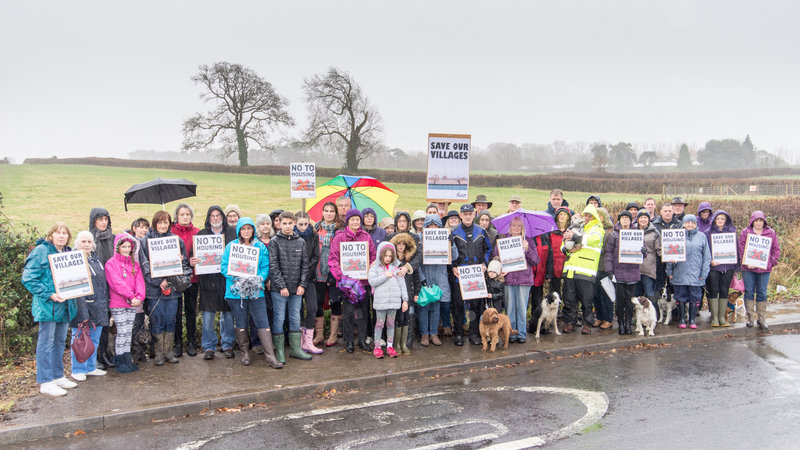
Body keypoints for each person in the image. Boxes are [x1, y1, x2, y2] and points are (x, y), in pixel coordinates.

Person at [22, 223, 78, 397]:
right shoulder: (41, 251)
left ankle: (57, 375)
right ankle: (46, 381)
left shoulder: (67, 253)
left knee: (60, 342)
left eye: (64, 233)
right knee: (46, 343)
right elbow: (28, 278)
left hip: (64, 305)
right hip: (48, 306)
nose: (61, 236)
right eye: (57, 233)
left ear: (68, 237)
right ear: (51, 235)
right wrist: (49, 294)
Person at [221, 217, 282, 368]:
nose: (246, 231)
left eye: (249, 228)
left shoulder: (260, 247)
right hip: (236, 292)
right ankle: (245, 353)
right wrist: (237, 276)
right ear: (239, 230)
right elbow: (223, 266)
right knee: (241, 321)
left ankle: (270, 356)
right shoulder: (231, 246)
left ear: (253, 230)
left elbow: (265, 266)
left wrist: (259, 278)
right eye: (243, 229)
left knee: (262, 321)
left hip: (256, 291)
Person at [139, 211, 191, 366]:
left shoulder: (176, 240)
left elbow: (185, 265)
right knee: (157, 320)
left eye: (166, 222)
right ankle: (158, 353)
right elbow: (145, 266)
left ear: (170, 224)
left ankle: (168, 351)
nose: (162, 226)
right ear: (155, 223)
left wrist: (180, 260)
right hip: (155, 290)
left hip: (173, 289)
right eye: (160, 222)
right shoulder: (145, 241)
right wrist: (158, 281)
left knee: (170, 320)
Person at [329, 209, 377, 353]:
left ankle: (362, 339)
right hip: (347, 283)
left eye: (357, 219)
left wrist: (370, 267)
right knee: (348, 312)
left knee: (363, 312)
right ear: (348, 222)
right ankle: (349, 341)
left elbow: (373, 256)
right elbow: (333, 259)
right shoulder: (339, 238)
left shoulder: (366, 236)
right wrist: (341, 276)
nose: (355, 222)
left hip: (363, 281)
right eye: (352, 220)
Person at [192, 206, 236, 360]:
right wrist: (193, 260)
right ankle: (209, 347)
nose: (216, 218)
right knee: (208, 316)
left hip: (226, 280)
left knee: (228, 315)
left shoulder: (232, 233)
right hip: (208, 281)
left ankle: (228, 344)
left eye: (218, 215)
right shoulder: (201, 235)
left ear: (222, 217)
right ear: (208, 218)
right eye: (212, 216)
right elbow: (192, 256)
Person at [269, 211, 313, 362]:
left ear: (294, 223)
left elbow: (305, 266)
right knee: (279, 318)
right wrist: (281, 286)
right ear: (279, 224)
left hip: (296, 289)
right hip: (279, 289)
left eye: (290, 223)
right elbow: (274, 266)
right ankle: (280, 351)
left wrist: (302, 284)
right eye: (284, 223)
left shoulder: (300, 242)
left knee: (295, 318)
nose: (287, 226)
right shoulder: (275, 241)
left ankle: (295, 349)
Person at [69, 231, 110, 381]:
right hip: (82, 306)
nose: (86, 245)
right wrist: (81, 309)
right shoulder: (73, 261)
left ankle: (90, 367)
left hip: (99, 306)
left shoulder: (96, 259)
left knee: (94, 339)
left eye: (89, 242)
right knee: (80, 339)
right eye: (83, 242)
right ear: (77, 243)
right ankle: (78, 369)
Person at [451, 204, 493, 346]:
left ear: (474, 215)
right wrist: (452, 267)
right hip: (459, 275)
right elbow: (448, 252)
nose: (468, 216)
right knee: (458, 306)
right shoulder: (454, 232)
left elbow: (488, 249)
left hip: (476, 274)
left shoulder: (481, 231)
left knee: (475, 306)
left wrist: (485, 264)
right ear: (461, 215)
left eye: (470, 214)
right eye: (465, 214)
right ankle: (458, 334)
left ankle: (474, 334)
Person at [493, 216, 539, 343]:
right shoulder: (503, 241)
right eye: (513, 225)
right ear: (509, 227)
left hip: (524, 279)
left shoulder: (528, 241)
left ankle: (522, 333)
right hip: (508, 279)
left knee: (522, 308)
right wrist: (499, 267)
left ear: (523, 227)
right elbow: (495, 257)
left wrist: (527, 249)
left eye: (519, 225)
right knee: (510, 308)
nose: (516, 228)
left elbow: (535, 261)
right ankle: (511, 333)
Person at [105, 232, 145, 372]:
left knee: (128, 332)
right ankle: (120, 360)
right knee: (122, 331)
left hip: (132, 303)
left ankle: (127, 359)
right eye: (124, 247)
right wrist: (130, 296)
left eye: (129, 247)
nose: (126, 249)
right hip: (118, 303)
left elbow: (139, 281)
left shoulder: (134, 264)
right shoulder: (111, 263)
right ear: (118, 247)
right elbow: (116, 283)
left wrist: (139, 297)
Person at [561, 204, 604, 334]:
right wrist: (565, 248)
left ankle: (587, 323)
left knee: (587, 300)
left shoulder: (597, 229)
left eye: (590, 216)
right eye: (585, 215)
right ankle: (570, 322)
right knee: (569, 299)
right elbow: (564, 243)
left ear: (595, 217)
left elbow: (593, 239)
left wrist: (574, 237)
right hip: (570, 270)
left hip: (586, 270)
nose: (587, 218)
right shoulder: (576, 227)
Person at [415, 215, 454, 347]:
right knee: (424, 306)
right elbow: (415, 261)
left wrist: (452, 244)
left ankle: (434, 333)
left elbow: (454, 257)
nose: (433, 228)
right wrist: (421, 278)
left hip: (439, 277)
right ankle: (424, 334)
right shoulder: (419, 238)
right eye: (430, 225)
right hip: (425, 276)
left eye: (436, 225)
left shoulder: (445, 237)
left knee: (436, 307)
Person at [666, 215, 711, 329]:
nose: (690, 225)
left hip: (696, 274)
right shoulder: (677, 236)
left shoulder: (702, 237)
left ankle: (692, 319)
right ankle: (682, 318)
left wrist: (704, 273)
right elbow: (670, 254)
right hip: (680, 272)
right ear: (683, 224)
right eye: (687, 222)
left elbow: (707, 257)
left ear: (696, 224)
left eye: (692, 223)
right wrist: (669, 270)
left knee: (695, 297)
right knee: (680, 296)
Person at [739, 211, 781, 332]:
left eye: (760, 221)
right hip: (748, 268)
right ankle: (750, 318)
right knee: (749, 291)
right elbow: (741, 249)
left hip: (764, 269)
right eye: (756, 221)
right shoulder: (745, 232)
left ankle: (762, 319)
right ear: (752, 221)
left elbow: (776, 250)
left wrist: (769, 263)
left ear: (764, 221)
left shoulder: (771, 233)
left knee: (762, 292)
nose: (758, 223)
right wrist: (746, 262)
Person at [530, 206, 569, 332]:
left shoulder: (545, 237)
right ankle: (524, 326)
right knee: (524, 302)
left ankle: (538, 326)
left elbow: (550, 256)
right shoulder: (527, 237)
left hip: (540, 275)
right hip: (527, 275)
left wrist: (549, 273)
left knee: (537, 302)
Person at [604, 211, 643, 335]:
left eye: (627, 218)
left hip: (632, 272)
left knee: (630, 301)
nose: (625, 220)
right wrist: (609, 271)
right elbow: (608, 254)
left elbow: (644, 253)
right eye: (623, 218)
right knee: (620, 301)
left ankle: (628, 324)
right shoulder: (614, 235)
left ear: (631, 220)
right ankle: (621, 323)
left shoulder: (637, 233)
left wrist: (643, 251)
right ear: (619, 220)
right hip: (619, 272)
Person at [368, 242, 409, 358]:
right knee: (379, 324)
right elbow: (372, 282)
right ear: (380, 255)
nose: (388, 258)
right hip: (381, 302)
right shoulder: (374, 268)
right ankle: (377, 347)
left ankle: (390, 346)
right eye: (385, 255)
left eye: (390, 256)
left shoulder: (396, 268)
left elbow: (402, 285)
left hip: (393, 302)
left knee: (391, 324)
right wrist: (385, 276)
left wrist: (405, 300)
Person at [171, 203, 200, 358]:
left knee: (190, 311)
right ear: (177, 216)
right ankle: (177, 344)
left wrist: (196, 260)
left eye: (187, 214)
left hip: (192, 278)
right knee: (176, 312)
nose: (185, 217)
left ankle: (191, 343)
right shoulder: (170, 232)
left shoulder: (197, 232)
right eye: (182, 214)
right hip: (175, 279)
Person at [89, 207, 115, 370]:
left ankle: (106, 353)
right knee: (96, 323)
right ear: (94, 221)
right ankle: (96, 356)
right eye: (100, 219)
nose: (103, 223)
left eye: (106, 219)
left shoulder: (113, 238)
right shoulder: (89, 240)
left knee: (107, 323)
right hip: (95, 287)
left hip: (111, 285)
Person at [295, 211, 322, 354]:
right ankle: (299, 341)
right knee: (297, 309)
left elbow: (315, 256)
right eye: (300, 224)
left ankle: (308, 341)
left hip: (309, 277)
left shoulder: (314, 235)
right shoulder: (292, 236)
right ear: (295, 223)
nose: (303, 227)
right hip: (295, 278)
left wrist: (305, 271)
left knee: (312, 307)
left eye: (306, 224)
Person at [391, 231, 422, 352]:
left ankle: (406, 342)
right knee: (397, 317)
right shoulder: (391, 260)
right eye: (398, 244)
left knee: (408, 317)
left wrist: (417, 292)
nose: (400, 246)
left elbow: (416, 278)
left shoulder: (410, 260)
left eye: (403, 244)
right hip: (395, 294)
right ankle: (396, 343)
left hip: (409, 292)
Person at [705, 210, 737, 327]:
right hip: (713, 267)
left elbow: (736, 249)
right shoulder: (707, 232)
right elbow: (705, 250)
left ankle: (722, 317)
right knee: (713, 290)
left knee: (724, 290)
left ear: (726, 220)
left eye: (722, 218)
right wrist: (710, 261)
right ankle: (714, 318)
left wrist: (736, 265)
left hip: (728, 266)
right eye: (718, 218)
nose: (720, 221)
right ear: (714, 220)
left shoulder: (732, 232)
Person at [652, 203, 681, 304]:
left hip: (675, 262)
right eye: (665, 211)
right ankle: (657, 309)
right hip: (659, 261)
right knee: (658, 286)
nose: (667, 213)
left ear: (673, 212)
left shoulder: (679, 225)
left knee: (673, 286)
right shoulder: (654, 225)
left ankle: (674, 310)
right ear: (661, 212)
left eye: (669, 211)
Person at [592, 207, 615, 330]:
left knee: (606, 294)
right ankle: (599, 317)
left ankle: (608, 318)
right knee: (596, 294)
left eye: (599, 215)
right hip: (594, 267)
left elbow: (609, 250)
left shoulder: (609, 231)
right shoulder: (593, 230)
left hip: (605, 267)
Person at [637, 210, 661, 320]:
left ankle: (653, 315)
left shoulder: (655, 232)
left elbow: (659, 249)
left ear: (648, 219)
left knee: (649, 293)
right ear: (638, 219)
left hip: (649, 267)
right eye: (641, 217)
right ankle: (637, 316)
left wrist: (669, 257)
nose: (643, 219)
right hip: (635, 268)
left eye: (645, 217)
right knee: (637, 294)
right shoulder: (632, 231)